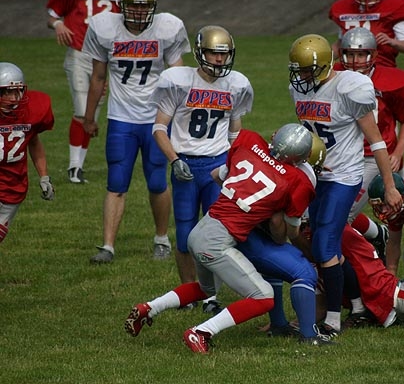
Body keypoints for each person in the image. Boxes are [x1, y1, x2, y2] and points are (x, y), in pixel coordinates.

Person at [125, 124, 332, 352]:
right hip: (218, 242)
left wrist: (242, 195)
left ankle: (148, 308)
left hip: (202, 229)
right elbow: (288, 232)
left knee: (206, 289)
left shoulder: (250, 143)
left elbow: (216, 175)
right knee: (263, 297)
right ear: (301, 158)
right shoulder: (296, 179)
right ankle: (201, 332)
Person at [288, 33, 403, 335]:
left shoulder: (349, 87)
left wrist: (389, 185)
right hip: (316, 175)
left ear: (324, 66)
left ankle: (333, 320)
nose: (301, 77)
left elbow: (376, 141)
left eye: (307, 70)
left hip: (344, 176)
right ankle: (359, 305)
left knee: (324, 245)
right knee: (325, 245)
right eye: (299, 70)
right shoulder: (298, 89)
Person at [82, 0, 191, 263]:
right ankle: (107, 246)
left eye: (144, 6)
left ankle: (161, 239)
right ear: (122, 6)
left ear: (153, 7)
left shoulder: (167, 28)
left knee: (157, 181)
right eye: (134, 5)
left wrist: (180, 116)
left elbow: (178, 76)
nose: (139, 11)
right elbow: (98, 77)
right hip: (121, 117)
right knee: (116, 181)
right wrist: (89, 116)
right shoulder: (105, 28)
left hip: (155, 119)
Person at [151, 25, 253, 294]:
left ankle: (211, 295)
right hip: (185, 163)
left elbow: (236, 133)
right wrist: (174, 159)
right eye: (213, 53)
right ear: (199, 52)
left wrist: (233, 165)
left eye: (224, 53)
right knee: (185, 235)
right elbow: (159, 128)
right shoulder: (179, 81)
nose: (219, 59)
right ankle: (188, 292)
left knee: (215, 236)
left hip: (216, 167)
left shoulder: (236, 85)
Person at [336, 26, 404, 259]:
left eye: (360, 54)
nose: (355, 61)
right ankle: (376, 235)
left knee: (342, 215)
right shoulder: (335, 77)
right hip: (343, 154)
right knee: (329, 208)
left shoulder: (392, 82)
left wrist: (398, 153)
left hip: (374, 157)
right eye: (350, 54)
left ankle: (364, 262)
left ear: (373, 55)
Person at [46, 0, 122, 183]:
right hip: (79, 54)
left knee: (92, 114)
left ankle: (79, 166)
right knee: (82, 110)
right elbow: (52, 17)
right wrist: (58, 24)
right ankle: (74, 167)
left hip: (105, 58)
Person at [0, 62, 55, 243]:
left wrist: (44, 177)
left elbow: (34, 141)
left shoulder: (32, 110)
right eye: (7, 92)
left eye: (17, 91)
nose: (13, 98)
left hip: (13, 186)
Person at [329, 0, 404, 68]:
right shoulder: (344, 10)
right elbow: (340, 44)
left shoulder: (394, 9)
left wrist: (391, 41)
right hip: (351, 67)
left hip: (381, 67)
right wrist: (324, 60)